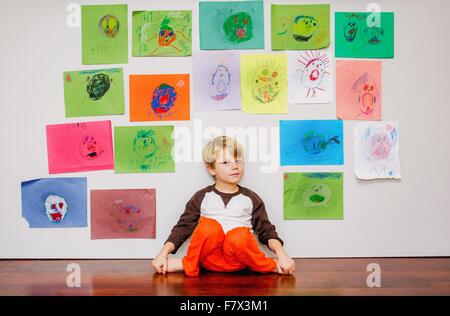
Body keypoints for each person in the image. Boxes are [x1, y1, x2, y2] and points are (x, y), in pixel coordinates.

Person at [152, 136, 296, 276]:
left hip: (239, 261)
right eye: (226, 162)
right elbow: (183, 227)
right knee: (209, 227)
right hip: (208, 260)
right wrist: (162, 253)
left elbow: (266, 230)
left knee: (239, 236)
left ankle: (270, 266)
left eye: (238, 160)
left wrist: (282, 255)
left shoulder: (250, 198)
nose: (235, 166)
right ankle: (189, 263)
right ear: (211, 169)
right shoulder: (202, 197)